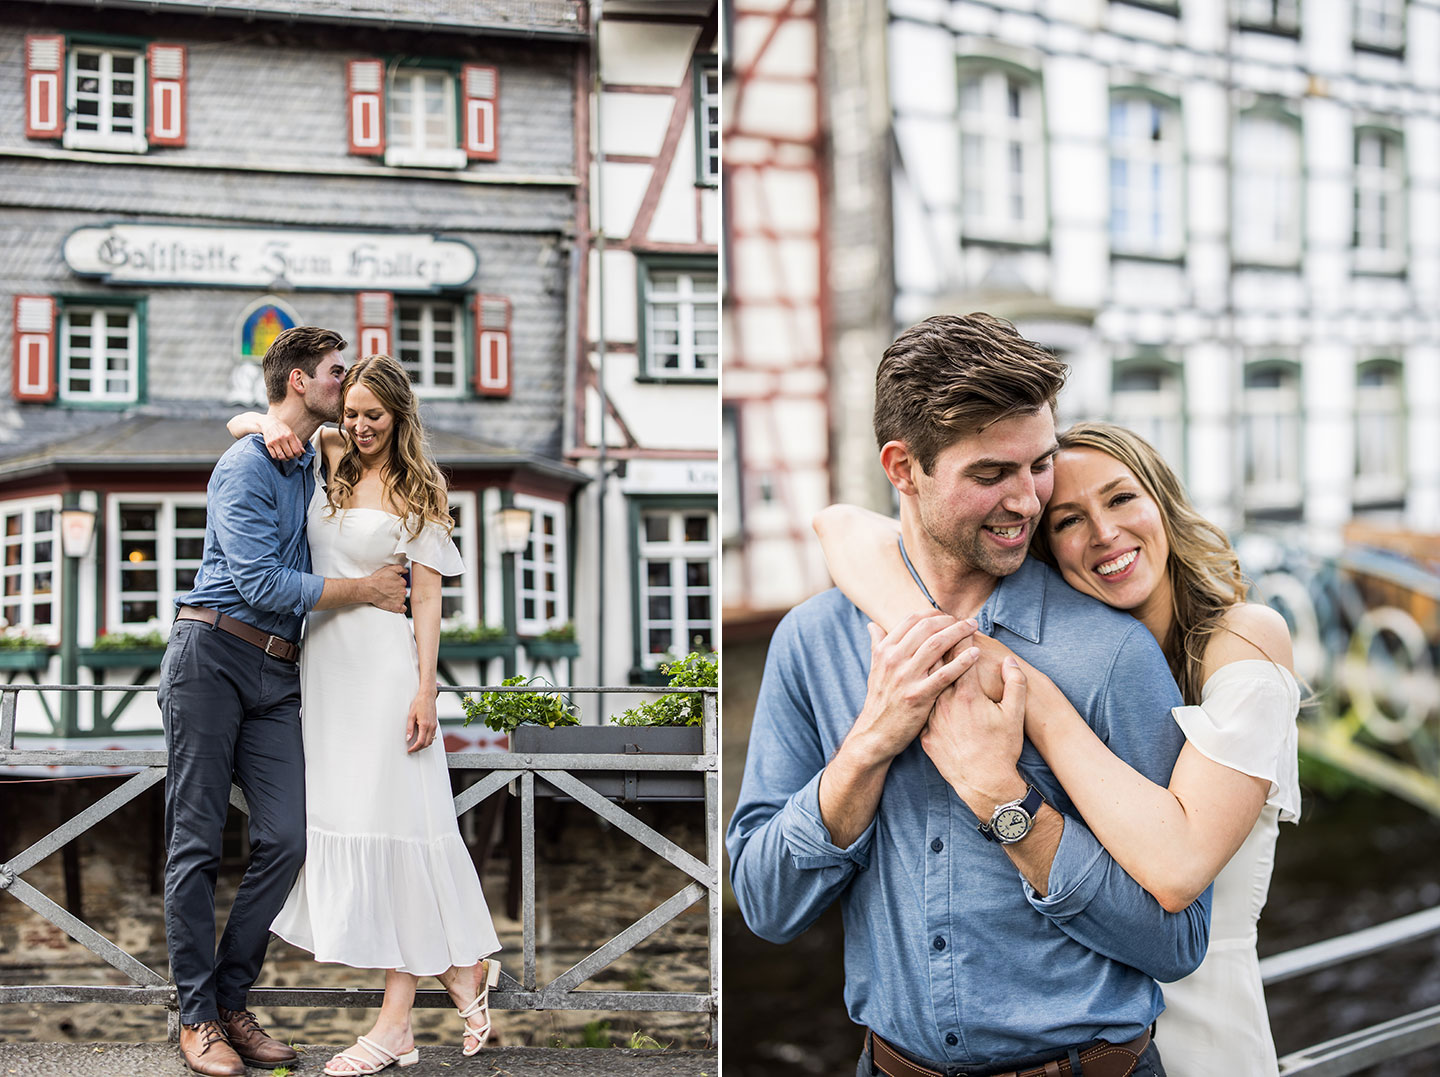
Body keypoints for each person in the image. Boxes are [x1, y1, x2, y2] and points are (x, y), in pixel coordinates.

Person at [726, 313, 1210, 1077]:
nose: (1029, 501)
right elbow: (765, 905)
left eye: (1039, 465)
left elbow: (1178, 941)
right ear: (903, 466)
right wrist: (867, 749)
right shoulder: (812, 643)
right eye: (991, 474)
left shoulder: (1113, 652)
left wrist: (1009, 806)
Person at [814, 420, 1300, 1077]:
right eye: (1069, 519)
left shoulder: (1244, 637)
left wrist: (1030, 700)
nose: (1103, 533)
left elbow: (1180, 865)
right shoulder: (1086, 652)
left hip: (1201, 1032)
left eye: (1122, 498)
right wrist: (926, 623)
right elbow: (842, 525)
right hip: (1083, 1021)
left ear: (1163, 500)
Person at [228, 354, 502, 1076]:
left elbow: (431, 600)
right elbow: (243, 425)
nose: (358, 425)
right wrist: (262, 421)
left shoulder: (421, 485)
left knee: (398, 831)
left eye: (373, 416)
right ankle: (459, 970)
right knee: (348, 824)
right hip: (325, 673)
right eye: (350, 413)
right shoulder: (329, 453)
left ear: (400, 416)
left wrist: (425, 689)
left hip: (385, 672)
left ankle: (393, 1027)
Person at [159, 327, 410, 1077]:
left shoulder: (301, 456)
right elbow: (263, 583)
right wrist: (364, 590)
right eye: (337, 372)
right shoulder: (245, 465)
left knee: (286, 838)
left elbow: (291, 425)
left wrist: (262, 419)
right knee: (196, 844)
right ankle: (198, 1017)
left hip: (278, 674)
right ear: (301, 380)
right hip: (211, 654)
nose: (347, 383)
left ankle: (232, 999)